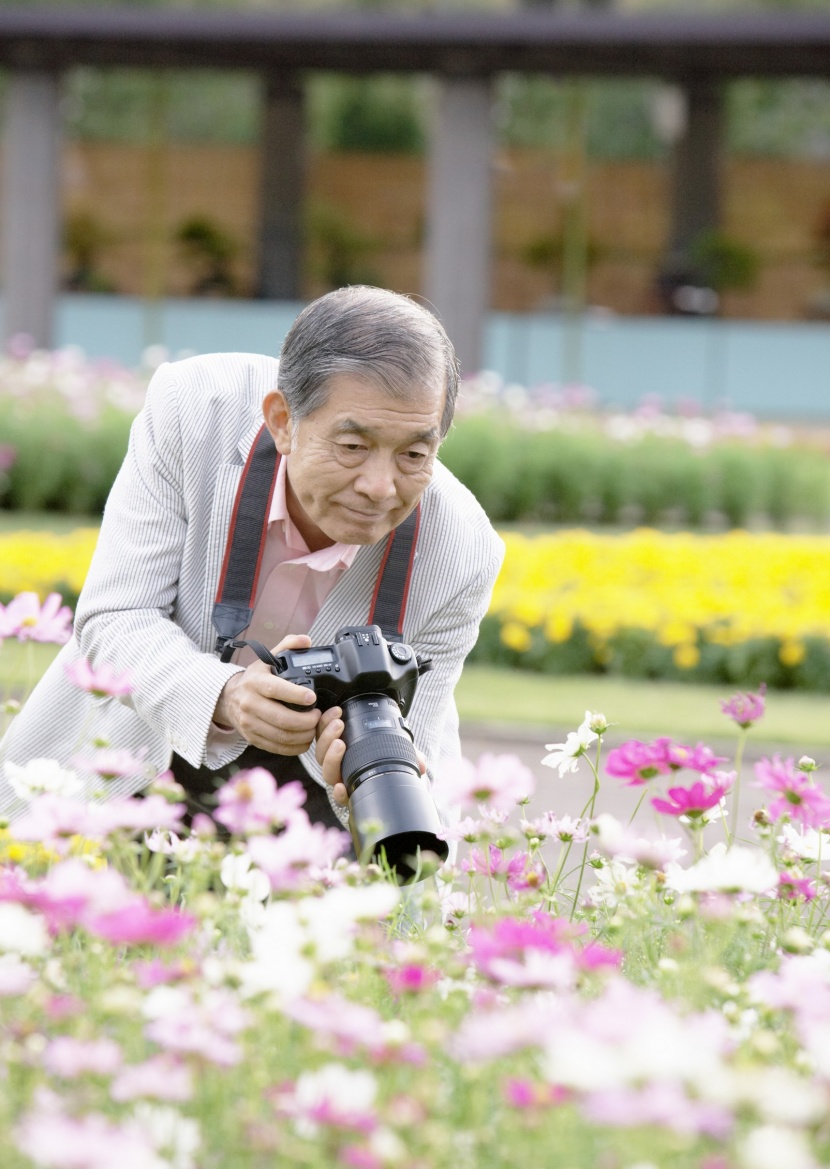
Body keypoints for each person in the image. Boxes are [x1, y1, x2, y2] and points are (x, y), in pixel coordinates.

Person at [0, 286, 504, 828]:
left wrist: (354, 780)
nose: (381, 488)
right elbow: (115, 618)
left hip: (304, 827)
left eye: (414, 454)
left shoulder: (462, 550)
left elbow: (416, 751)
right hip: (113, 770)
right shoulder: (193, 410)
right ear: (282, 420)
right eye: (353, 447)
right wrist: (227, 694)